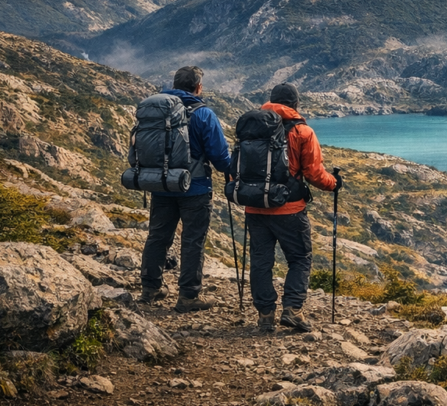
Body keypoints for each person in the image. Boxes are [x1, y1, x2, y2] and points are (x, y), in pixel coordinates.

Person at [246, 82, 339, 332]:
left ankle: (265, 316)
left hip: (254, 207)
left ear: (271, 101)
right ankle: (293, 310)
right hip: (289, 209)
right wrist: (334, 183)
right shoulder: (302, 132)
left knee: (260, 261)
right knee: (299, 258)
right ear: (295, 104)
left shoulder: (252, 127)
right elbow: (314, 173)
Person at [138, 65, 232, 312]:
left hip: (161, 185)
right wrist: (231, 170)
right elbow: (220, 156)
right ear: (198, 87)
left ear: (174, 84)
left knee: (158, 236)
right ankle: (189, 296)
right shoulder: (203, 114)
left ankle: (150, 289)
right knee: (192, 241)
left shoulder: (158, 110)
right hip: (195, 188)